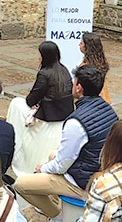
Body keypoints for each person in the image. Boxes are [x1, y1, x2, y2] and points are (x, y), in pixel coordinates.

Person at [14, 65, 118, 222]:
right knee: (51, 156)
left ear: (79, 87)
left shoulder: (76, 123)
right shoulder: (107, 109)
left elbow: (62, 165)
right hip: (99, 170)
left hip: (84, 183)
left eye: (74, 81)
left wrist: (42, 169)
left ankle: (57, 216)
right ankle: (54, 204)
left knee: (22, 184)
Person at [6, 41, 74, 176]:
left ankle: (14, 144)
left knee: (15, 104)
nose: (38, 57)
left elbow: (31, 99)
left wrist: (35, 103)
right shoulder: (64, 69)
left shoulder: (44, 74)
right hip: (64, 112)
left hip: (48, 114)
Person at [78, 32, 112, 103]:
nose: (79, 45)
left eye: (81, 43)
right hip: (104, 98)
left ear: (86, 47)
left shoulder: (85, 67)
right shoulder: (101, 62)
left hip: (91, 102)